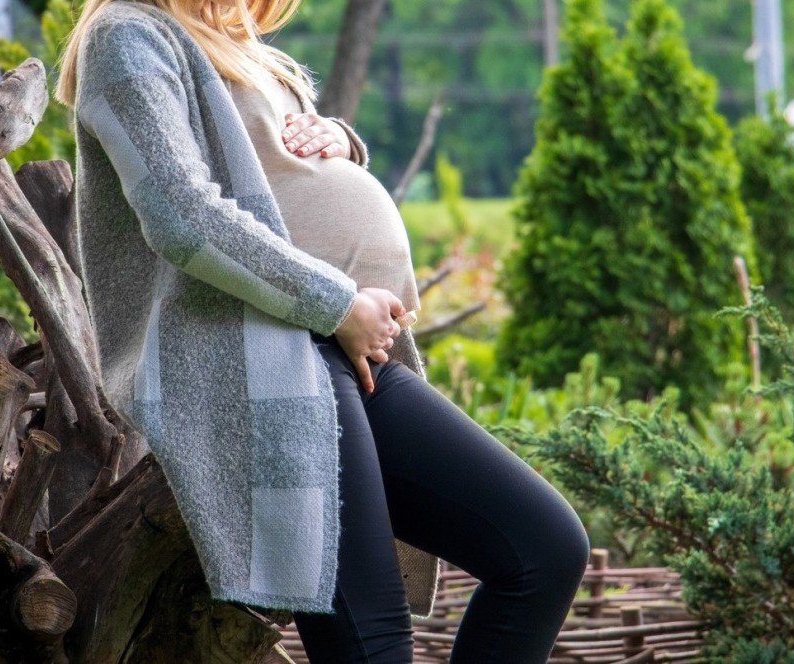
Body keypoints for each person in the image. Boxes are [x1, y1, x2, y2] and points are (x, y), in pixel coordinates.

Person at [55, 0, 591, 661]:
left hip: (331, 351)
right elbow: (182, 216)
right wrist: (339, 304)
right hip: (256, 362)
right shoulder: (126, 35)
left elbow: (274, 172)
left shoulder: (232, 41)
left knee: (545, 549)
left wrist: (337, 139)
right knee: (374, 644)